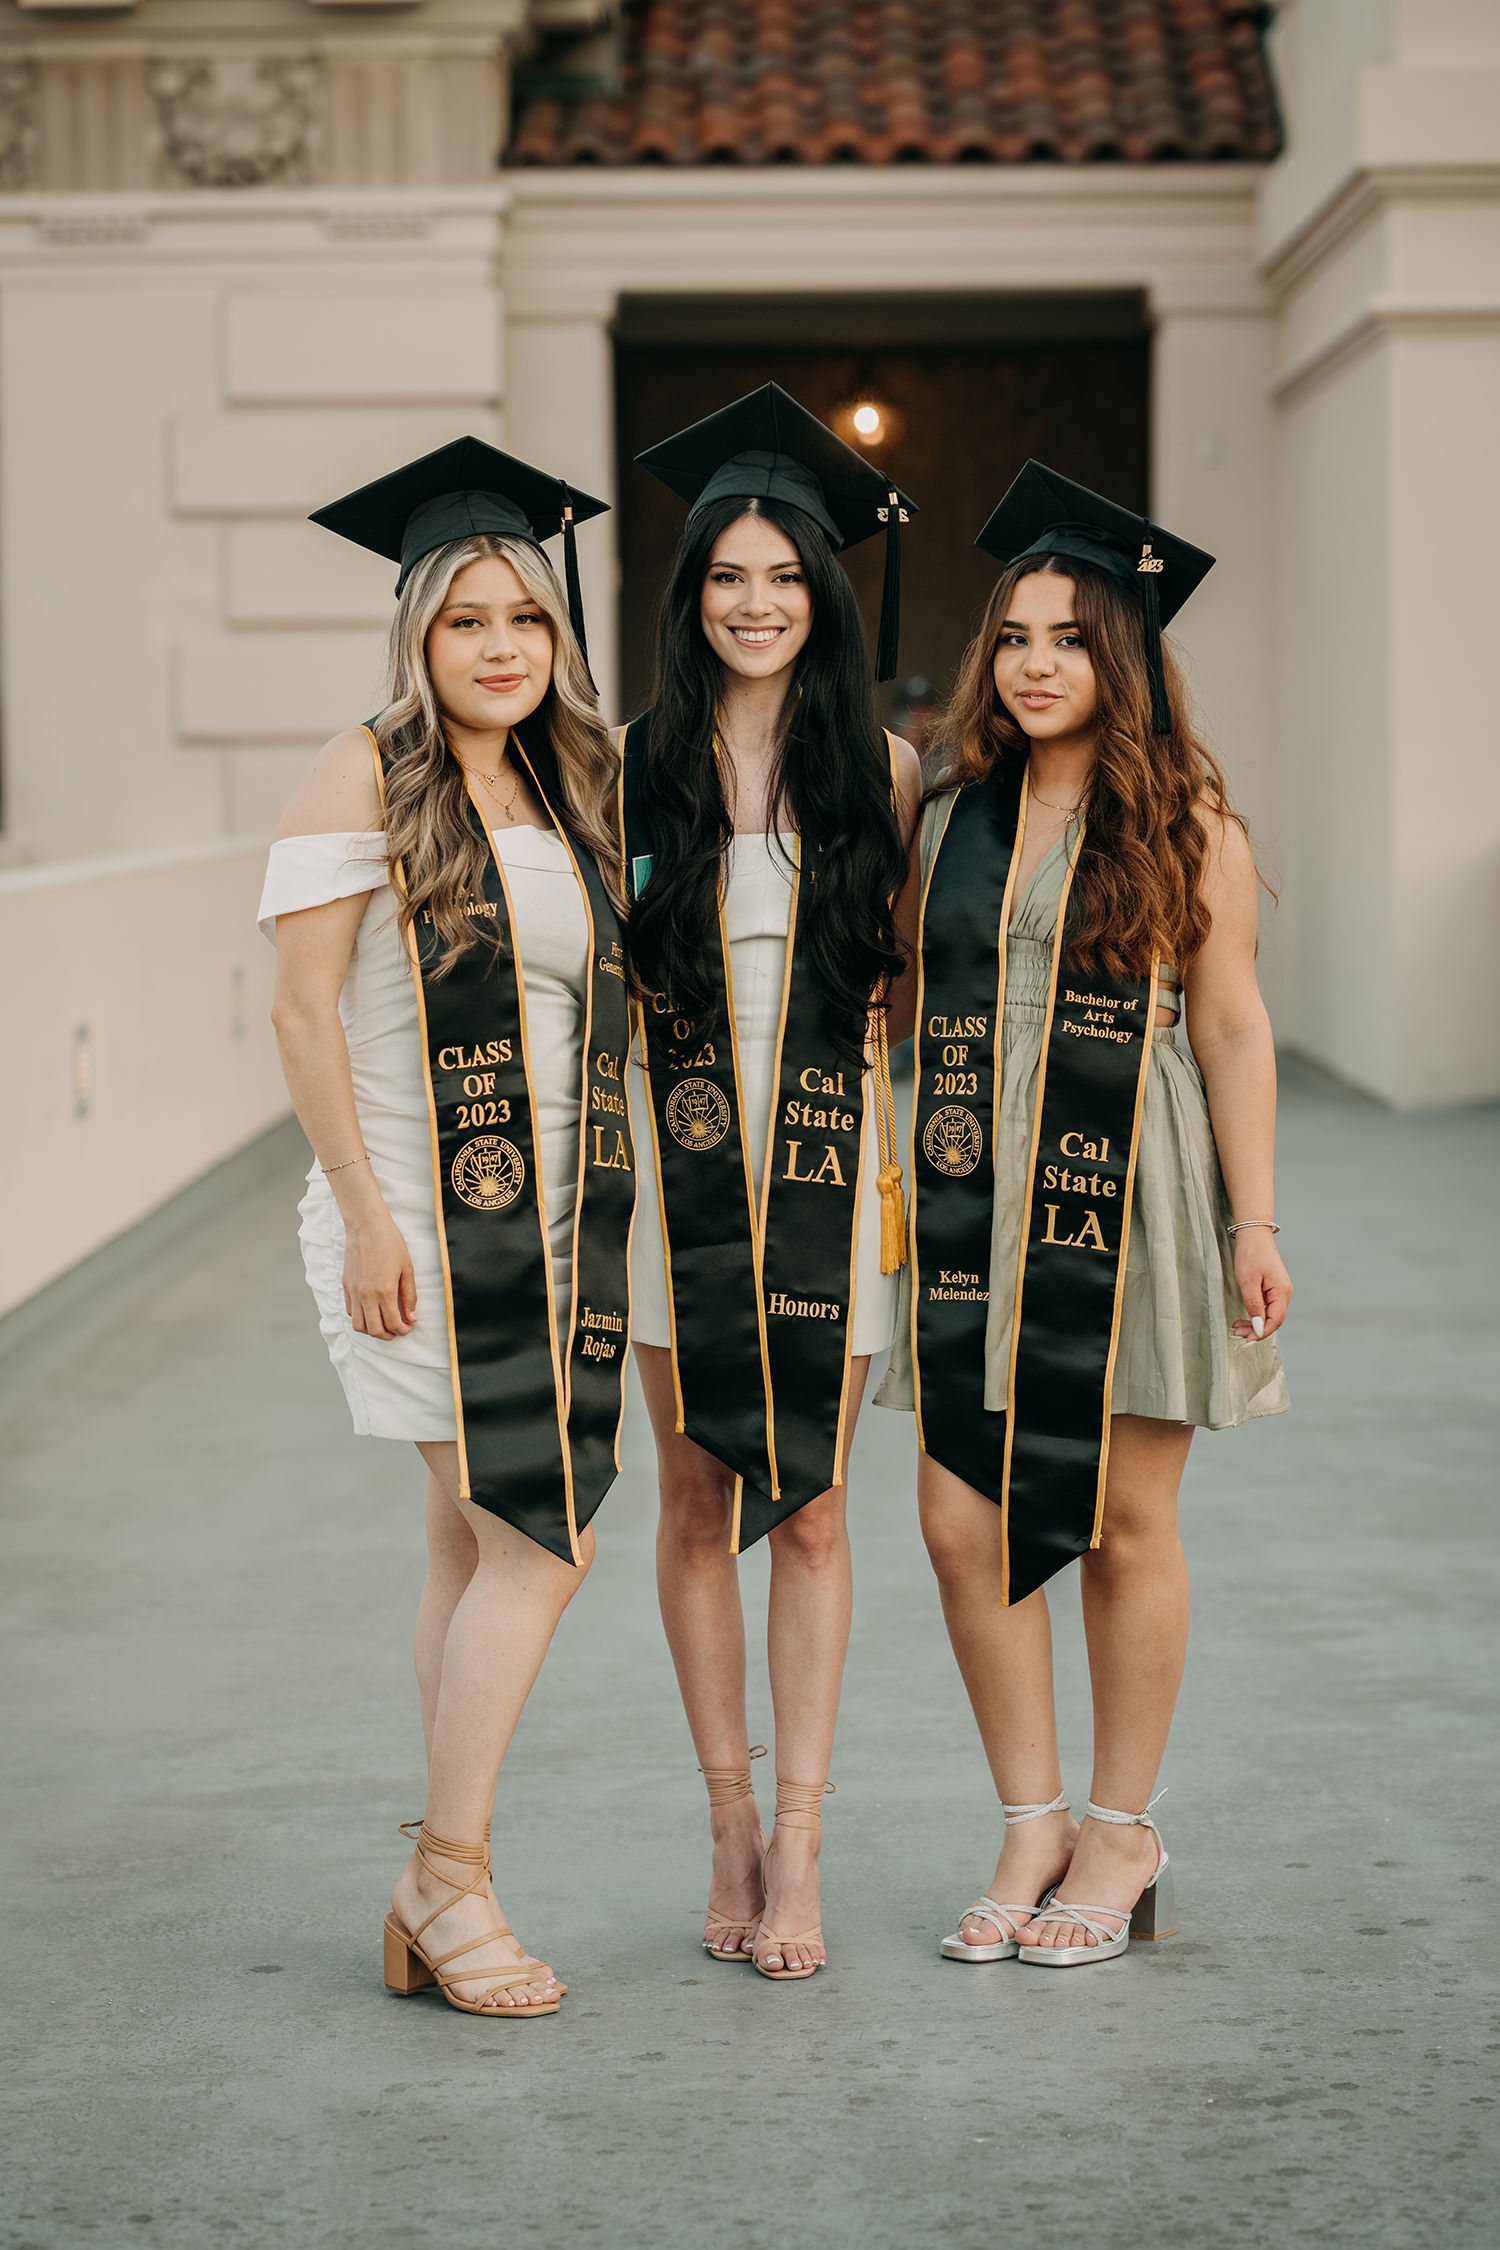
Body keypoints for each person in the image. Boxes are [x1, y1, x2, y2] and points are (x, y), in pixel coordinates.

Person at [879, 460, 1290, 1968]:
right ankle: (1031, 1815)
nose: (1036, 662)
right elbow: (903, 996)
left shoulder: (1187, 820)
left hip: (1134, 1187)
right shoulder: (945, 812)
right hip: (971, 1192)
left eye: (1069, 637)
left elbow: (1233, 1028)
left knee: (1123, 1523)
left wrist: (1256, 1222)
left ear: (1121, 664)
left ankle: (1124, 1827)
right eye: (1014, 636)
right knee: (954, 1515)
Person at [258, 438, 633, 2016]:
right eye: (467, 618)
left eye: (526, 620)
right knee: (544, 1541)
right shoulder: (362, 768)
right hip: (414, 1215)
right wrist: (362, 1215)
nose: (500, 647)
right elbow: (296, 1012)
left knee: (469, 1544)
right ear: (416, 633)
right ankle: (449, 1875)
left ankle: (437, 1894)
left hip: (555, 1217)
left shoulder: (567, 782)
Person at [622, 385, 923, 1979]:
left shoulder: (877, 768)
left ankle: (802, 1839)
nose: (755, 604)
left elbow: (907, 997)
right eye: (727, 577)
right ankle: (726, 1818)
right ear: (692, 598)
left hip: (824, 1179)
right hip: (677, 1191)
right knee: (692, 1494)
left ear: (823, 594)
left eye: (785, 577)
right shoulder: (627, 770)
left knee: (808, 1506)